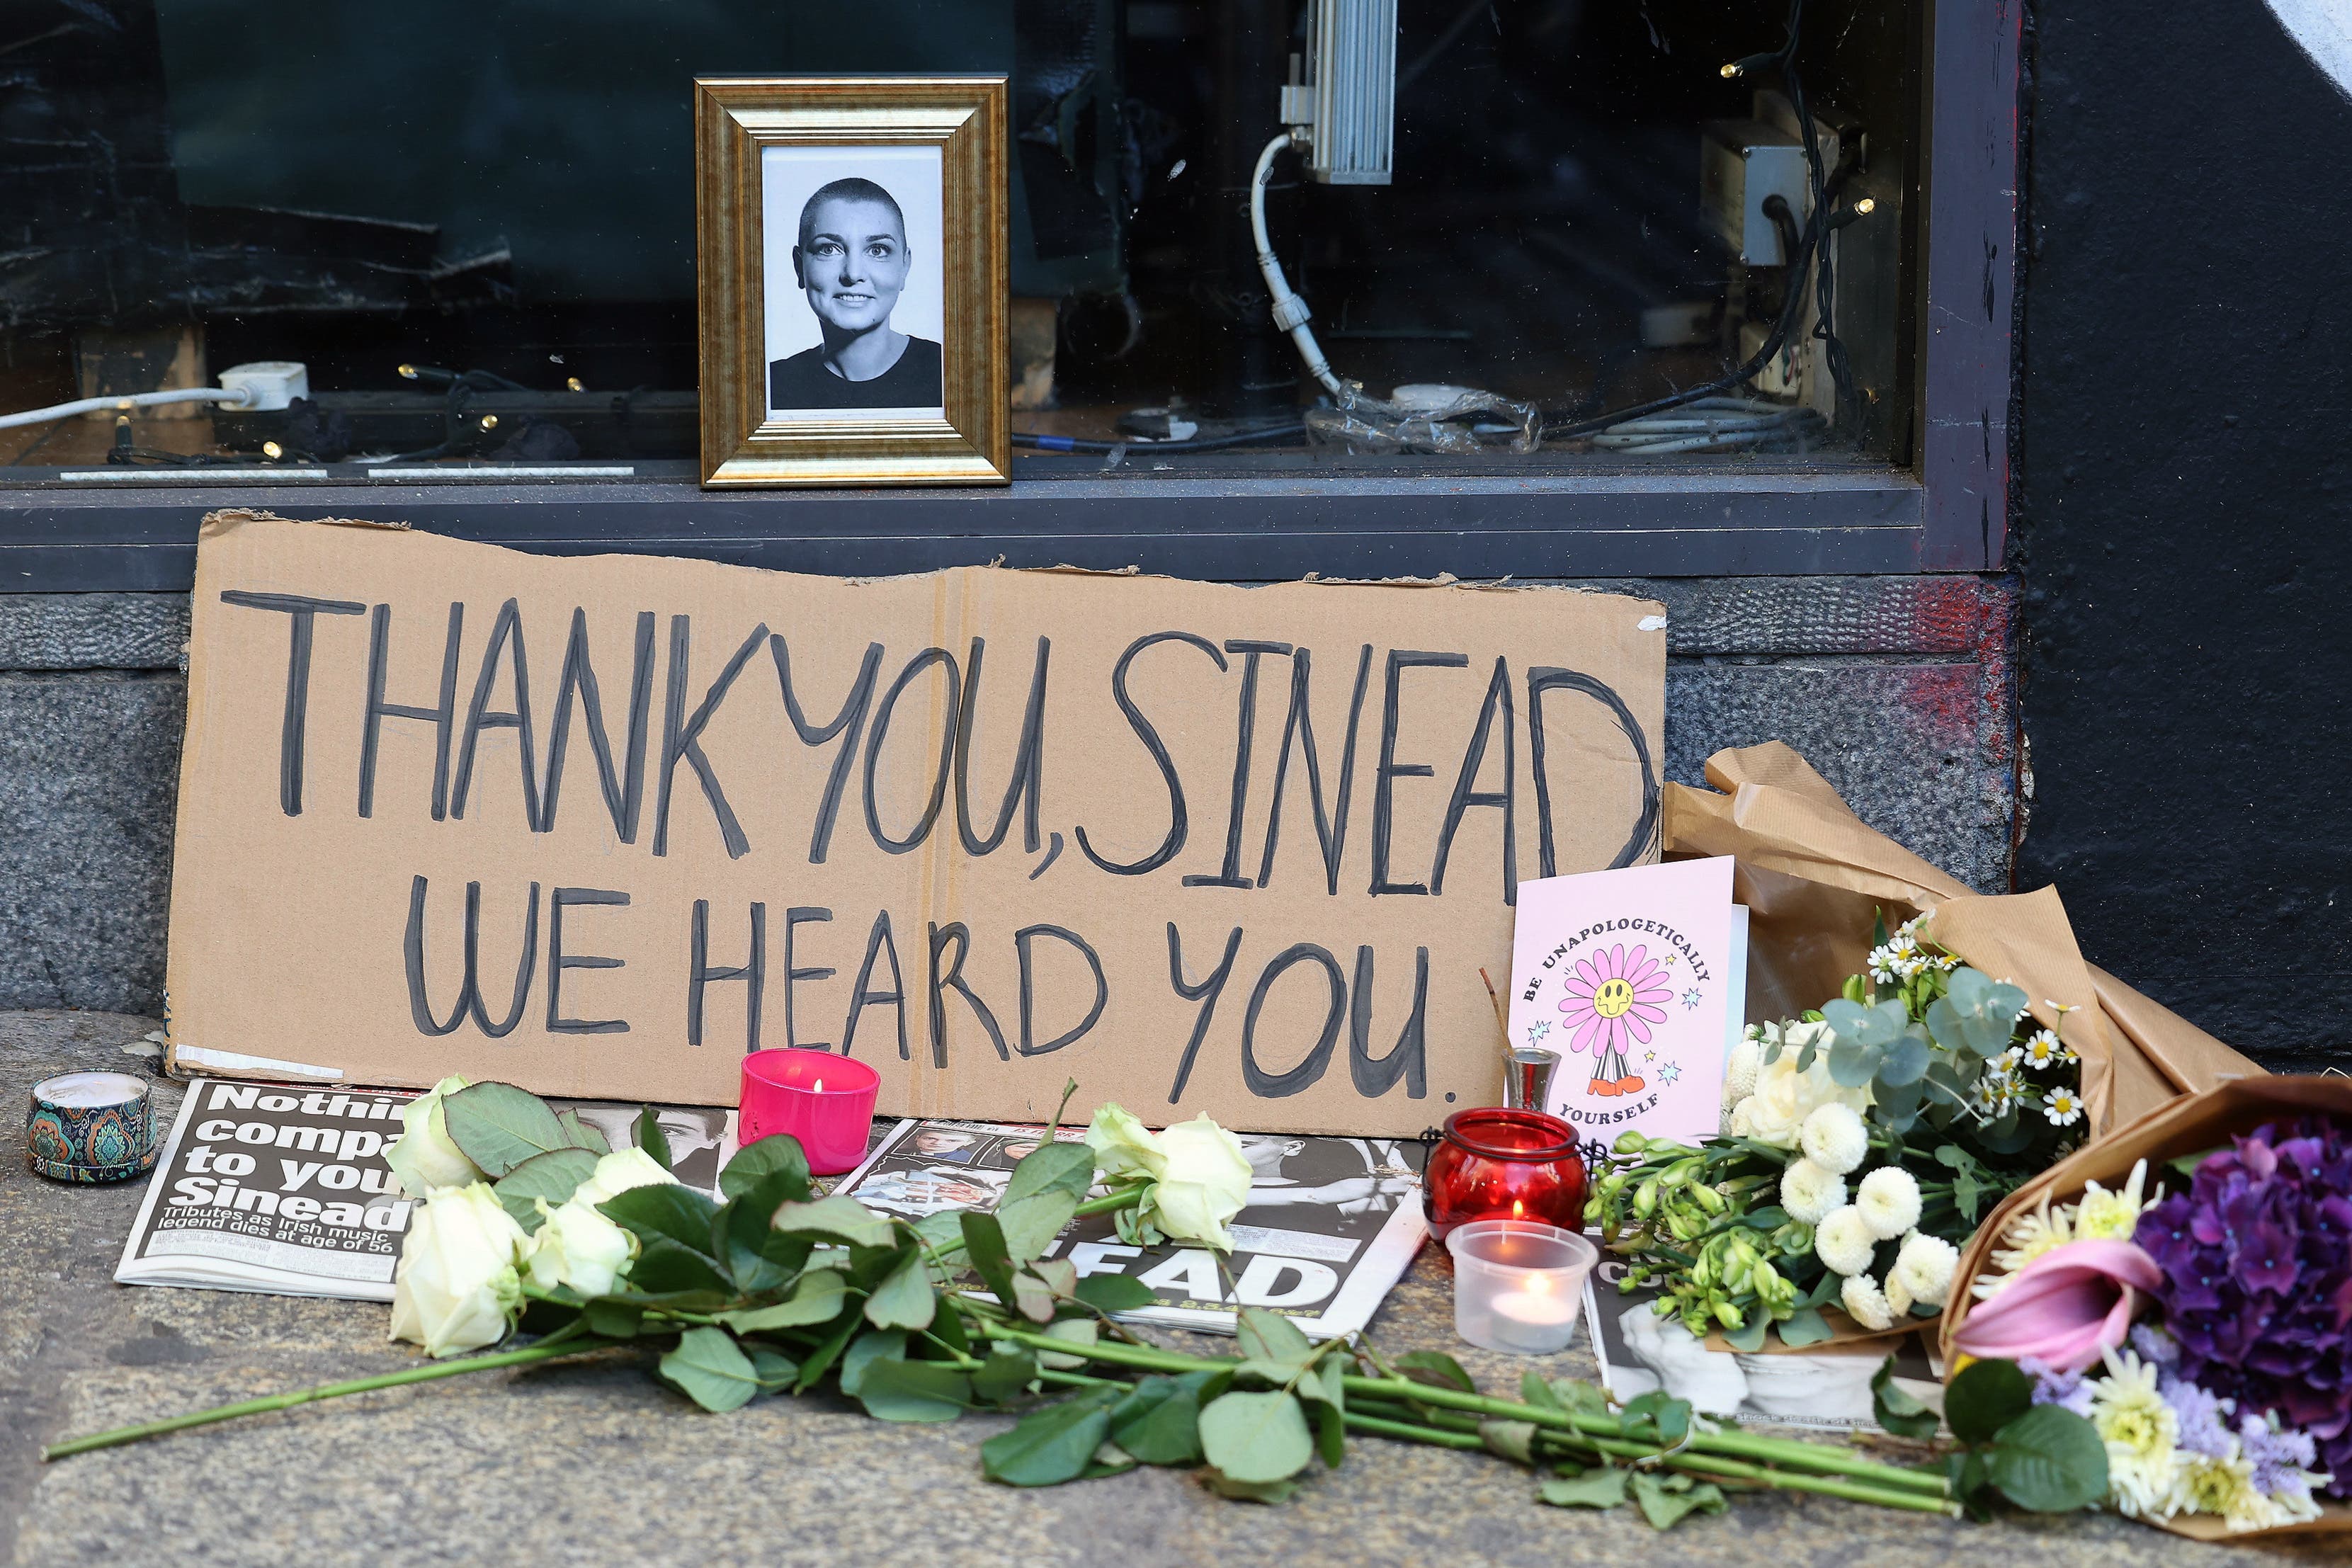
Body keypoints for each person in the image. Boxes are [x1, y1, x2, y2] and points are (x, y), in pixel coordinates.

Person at [769, 176, 942, 411]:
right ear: (799, 267)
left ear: (905, 266)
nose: (853, 273)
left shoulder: (949, 373)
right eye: (828, 249)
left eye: (877, 250)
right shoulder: (770, 386)